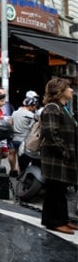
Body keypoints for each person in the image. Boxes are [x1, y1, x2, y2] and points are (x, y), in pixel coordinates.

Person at [39, 77, 77, 235]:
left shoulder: (62, 108)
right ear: (60, 91)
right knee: (55, 190)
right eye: (69, 87)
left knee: (59, 190)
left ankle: (61, 219)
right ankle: (54, 222)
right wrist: (65, 151)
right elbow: (51, 134)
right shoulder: (52, 108)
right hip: (56, 159)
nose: (72, 90)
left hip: (62, 158)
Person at [10, 96, 37, 176]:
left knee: (12, 154)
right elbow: (33, 129)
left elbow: (11, 124)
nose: (35, 108)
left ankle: (12, 171)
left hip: (14, 139)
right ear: (31, 105)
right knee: (21, 160)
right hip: (23, 141)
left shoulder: (14, 113)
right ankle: (20, 176)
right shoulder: (31, 115)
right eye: (34, 106)